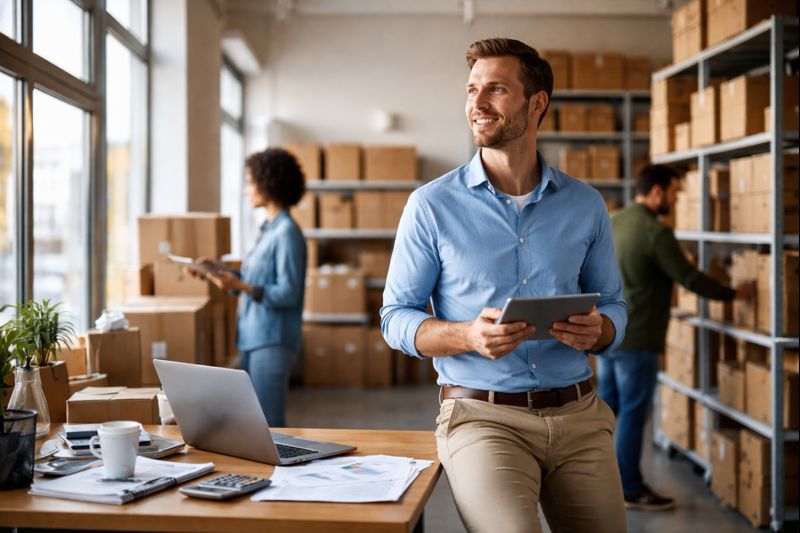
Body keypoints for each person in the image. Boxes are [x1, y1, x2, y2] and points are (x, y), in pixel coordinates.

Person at [381, 38, 629, 533]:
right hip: (482, 417)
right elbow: (396, 318)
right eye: (472, 89)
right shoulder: (431, 206)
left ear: (537, 104)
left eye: (495, 89)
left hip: (580, 414)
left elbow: (616, 307)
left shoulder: (585, 204)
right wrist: (467, 336)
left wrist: (599, 330)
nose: (477, 103)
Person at [602, 164, 755, 511]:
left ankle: (604, 484)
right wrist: (734, 295)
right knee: (632, 415)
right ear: (656, 192)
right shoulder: (656, 233)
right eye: (673, 192)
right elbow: (689, 278)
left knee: (605, 414)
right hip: (639, 339)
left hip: (609, 333)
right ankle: (629, 488)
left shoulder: (615, 222)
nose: (675, 198)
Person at [198, 148, 307, 428]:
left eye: (250, 182)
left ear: (268, 183)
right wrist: (219, 272)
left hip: (273, 340)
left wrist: (241, 284)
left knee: (269, 423)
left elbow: (288, 292)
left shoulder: (287, 233)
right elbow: (252, 281)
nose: (246, 190)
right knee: (253, 422)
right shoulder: (267, 229)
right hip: (252, 337)